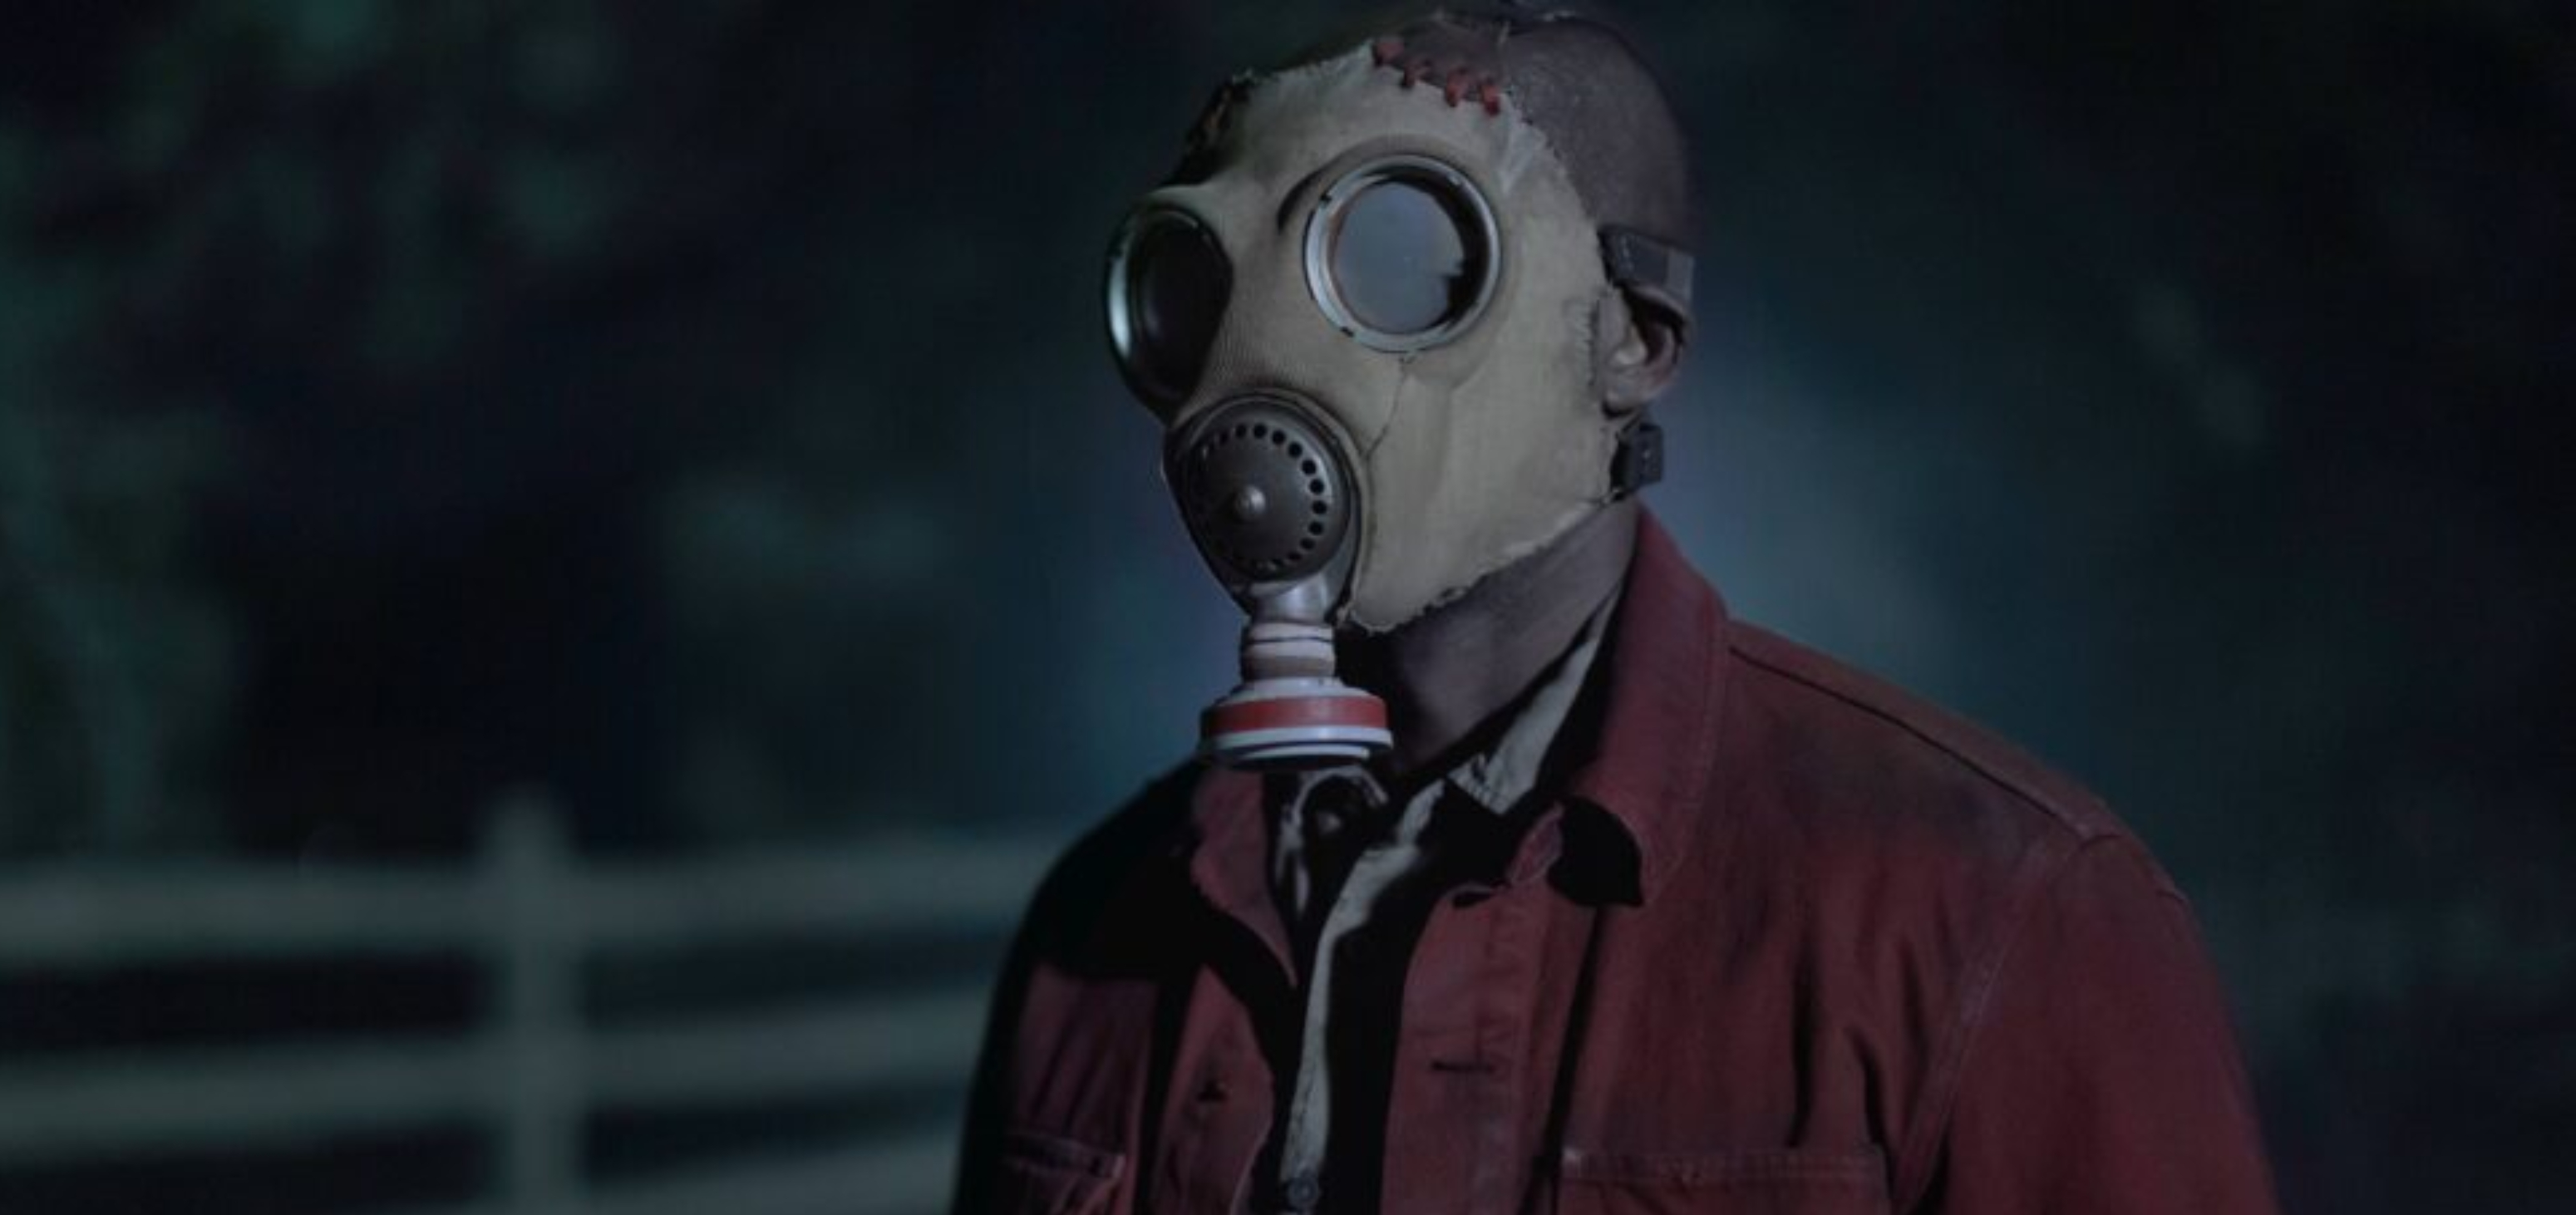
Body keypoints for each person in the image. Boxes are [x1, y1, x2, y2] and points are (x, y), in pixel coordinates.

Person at [958, 6, 2285, 1213]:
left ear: (1635, 340)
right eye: (1205, 280)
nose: (1264, 362)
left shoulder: (1991, 914)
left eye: (1404, 258)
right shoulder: (1104, 925)